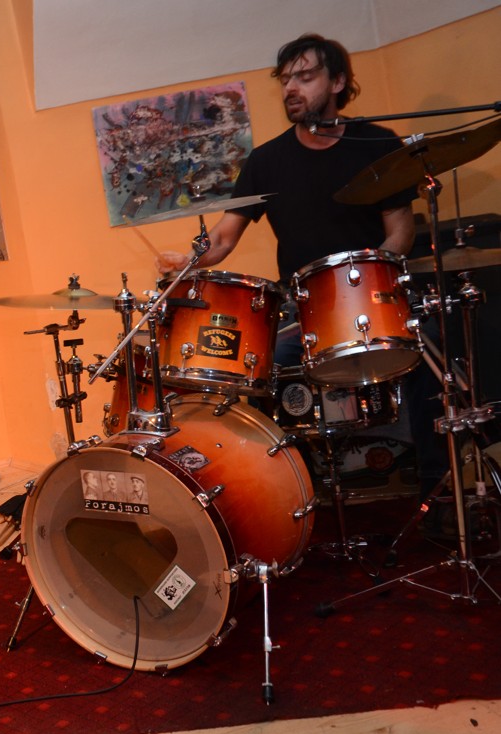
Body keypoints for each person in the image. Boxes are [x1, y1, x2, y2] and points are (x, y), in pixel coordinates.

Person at [156, 34, 447, 500]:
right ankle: (291, 498)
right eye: (285, 79)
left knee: (429, 355)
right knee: (258, 372)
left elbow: (401, 233)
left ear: (338, 82)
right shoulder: (266, 161)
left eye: (305, 76)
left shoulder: (376, 144)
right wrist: (187, 261)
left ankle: (438, 491)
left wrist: (368, 279)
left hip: (372, 295)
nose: (291, 87)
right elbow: (224, 238)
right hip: (302, 307)